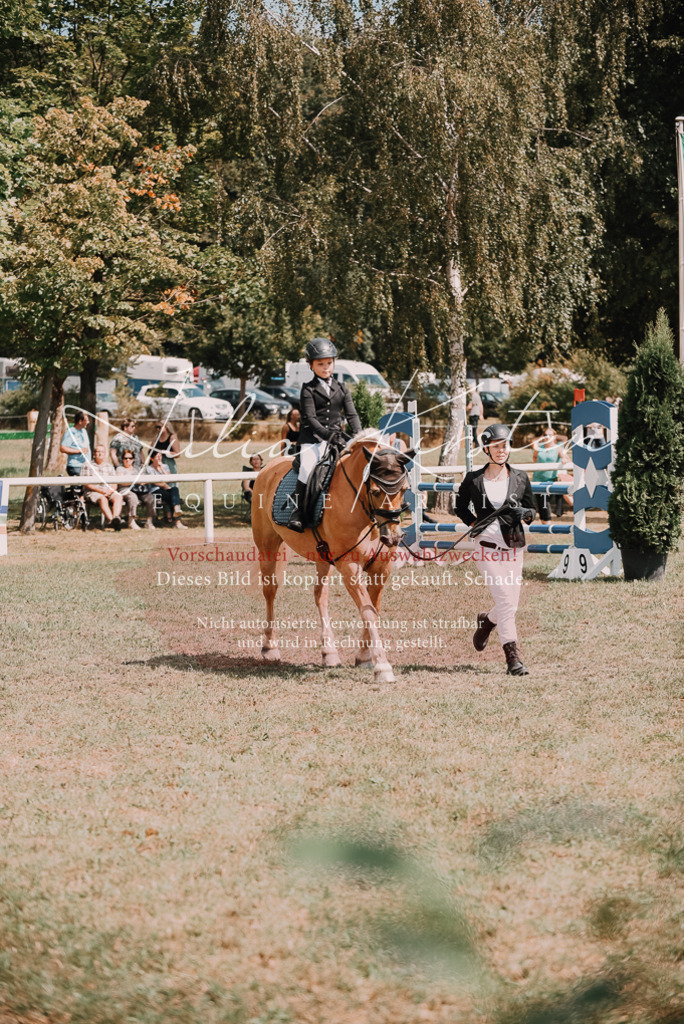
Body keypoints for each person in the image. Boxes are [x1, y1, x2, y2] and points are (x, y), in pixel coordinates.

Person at [455, 423, 536, 676]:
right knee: (504, 599)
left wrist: (526, 513)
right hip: (486, 547)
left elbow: (533, 511)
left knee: (510, 605)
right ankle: (513, 659)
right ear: (487, 449)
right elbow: (459, 508)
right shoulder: (473, 479)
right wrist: (473, 523)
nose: (502, 450)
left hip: (513, 547)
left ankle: (487, 622)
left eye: (506, 445)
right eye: (497, 446)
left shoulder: (521, 477)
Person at [287, 338, 361, 532]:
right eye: (320, 364)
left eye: (329, 363)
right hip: (312, 439)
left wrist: (359, 435)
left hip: (337, 438)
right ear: (311, 365)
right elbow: (310, 418)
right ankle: (298, 511)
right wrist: (328, 435)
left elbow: (351, 414)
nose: (326, 367)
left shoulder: (342, 388)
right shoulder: (308, 389)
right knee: (307, 468)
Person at [81, 444, 124, 530]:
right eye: (98, 451)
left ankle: (116, 518)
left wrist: (110, 491)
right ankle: (112, 521)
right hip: (93, 492)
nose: (100, 454)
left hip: (108, 490)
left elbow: (114, 483)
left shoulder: (109, 466)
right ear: (94, 453)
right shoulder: (87, 465)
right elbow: (86, 484)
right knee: (102, 499)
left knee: (119, 496)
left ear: (105, 454)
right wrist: (101, 491)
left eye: (102, 452)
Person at [145, 450, 187, 528]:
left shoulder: (165, 466)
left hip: (166, 488)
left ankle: (175, 510)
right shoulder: (149, 469)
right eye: (157, 456)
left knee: (175, 489)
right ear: (152, 458)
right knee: (172, 497)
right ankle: (177, 521)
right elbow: (154, 482)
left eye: (160, 456)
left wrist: (161, 468)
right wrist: (164, 485)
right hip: (155, 490)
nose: (160, 458)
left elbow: (169, 478)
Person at [115, 449, 155, 529]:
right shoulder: (120, 469)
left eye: (130, 458)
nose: (128, 460)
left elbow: (144, 479)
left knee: (150, 497)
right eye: (125, 458)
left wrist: (141, 482)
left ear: (133, 459)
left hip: (139, 489)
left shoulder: (137, 469)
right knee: (133, 497)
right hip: (125, 490)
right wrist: (134, 481)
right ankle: (131, 521)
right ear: (122, 459)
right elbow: (121, 482)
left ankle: (149, 521)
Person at [532, 426, 563, 522]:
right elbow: (534, 458)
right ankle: (544, 524)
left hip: (551, 480)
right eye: (545, 435)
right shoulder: (539, 447)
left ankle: (547, 524)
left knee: (546, 503)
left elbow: (565, 457)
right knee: (542, 505)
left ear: (554, 436)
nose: (547, 437)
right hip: (538, 479)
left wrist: (564, 460)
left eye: (550, 435)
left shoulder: (558, 447)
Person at [60, 411, 91, 476]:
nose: (88, 422)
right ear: (80, 421)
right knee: (78, 485)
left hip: (85, 465)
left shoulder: (84, 431)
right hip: (75, 466)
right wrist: (78, 451)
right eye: (86, 420)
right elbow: (63, 448)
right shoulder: (70, 432)